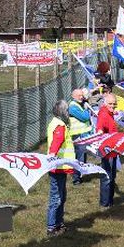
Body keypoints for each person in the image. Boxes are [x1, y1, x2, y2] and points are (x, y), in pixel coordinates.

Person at [46, 100, 74, 236]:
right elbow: (56, 143)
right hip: (57, 167)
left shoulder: (55, 122)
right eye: (67, 110)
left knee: (61, 197)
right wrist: (52, 156)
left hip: (60, 166)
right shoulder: (60, 125)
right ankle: (51, 226)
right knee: (56, 198)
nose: (68, 113)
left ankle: (58, 223)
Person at [96, 94, 120, 209]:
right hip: (107, 150)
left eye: (114, 103)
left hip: (113, 149)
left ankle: (110, 200)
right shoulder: (104, 114)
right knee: (107, 176)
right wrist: (100, 131)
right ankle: (105, 203)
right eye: (110, 104)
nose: (113, 106)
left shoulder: (109, 113)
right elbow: (100, 127)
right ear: (105, 104)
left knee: (112, 175)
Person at [67, 88, 94, 185]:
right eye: (79, 95)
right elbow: (85, 117)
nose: (81, 97)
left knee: (82, 156)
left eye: (82, 95)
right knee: (79, 156)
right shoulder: (73, 106)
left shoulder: (79, 104)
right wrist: (87, 109)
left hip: (82, 135)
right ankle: (76, 178)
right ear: (73, 96)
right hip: (77, 135)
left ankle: (80, 174)